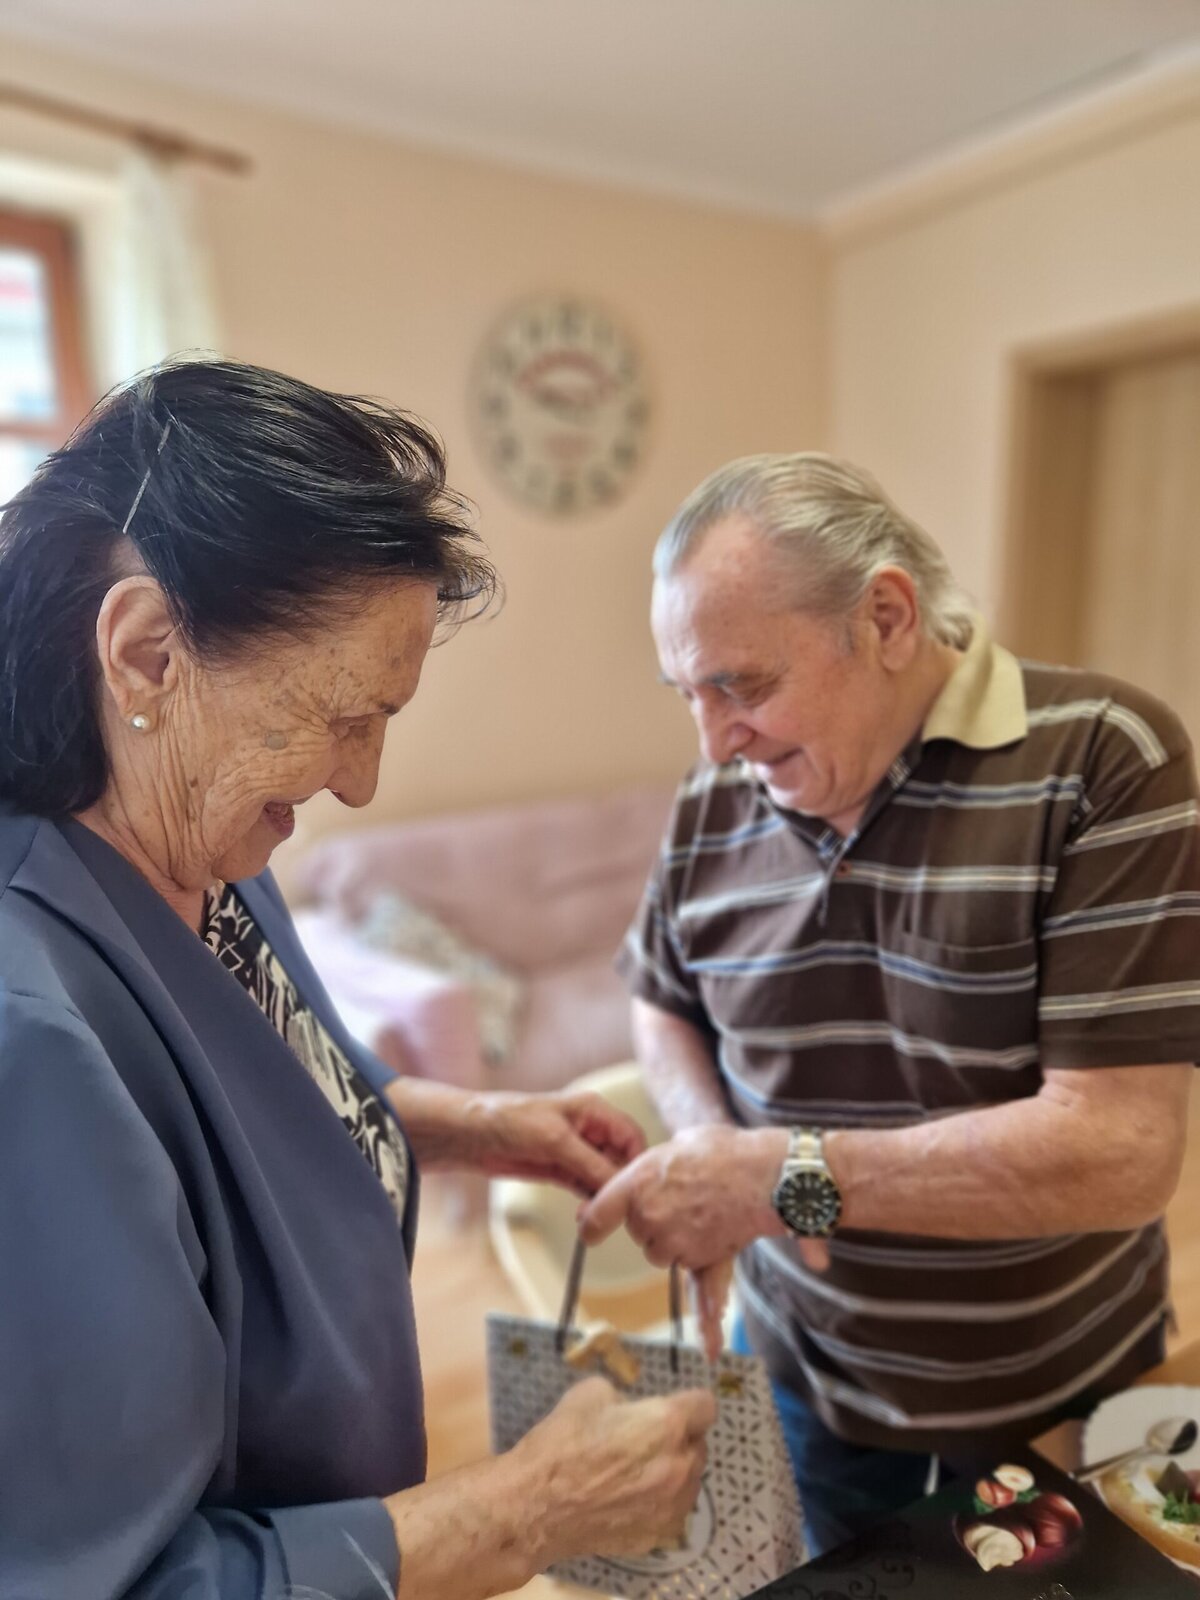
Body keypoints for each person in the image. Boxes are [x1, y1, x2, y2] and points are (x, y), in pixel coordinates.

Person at [0, 358, 715, 1600]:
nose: (362, 781)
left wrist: (479, 1123)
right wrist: (534, 1509)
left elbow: (265, 1103)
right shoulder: (31, 1037)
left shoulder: (207, 849)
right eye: (344, 716)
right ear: (147, 652)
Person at [580, 452, 1198, 1556]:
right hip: (809, 1378)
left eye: (742, 685)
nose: (714, 741)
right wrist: (715, 1152)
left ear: (887, 618)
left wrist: (782, 1181)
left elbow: (1123, 1149)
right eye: (689, 693)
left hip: (1057, 1395)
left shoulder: (1107, 760)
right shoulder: (713, 798)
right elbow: (661, 1002)